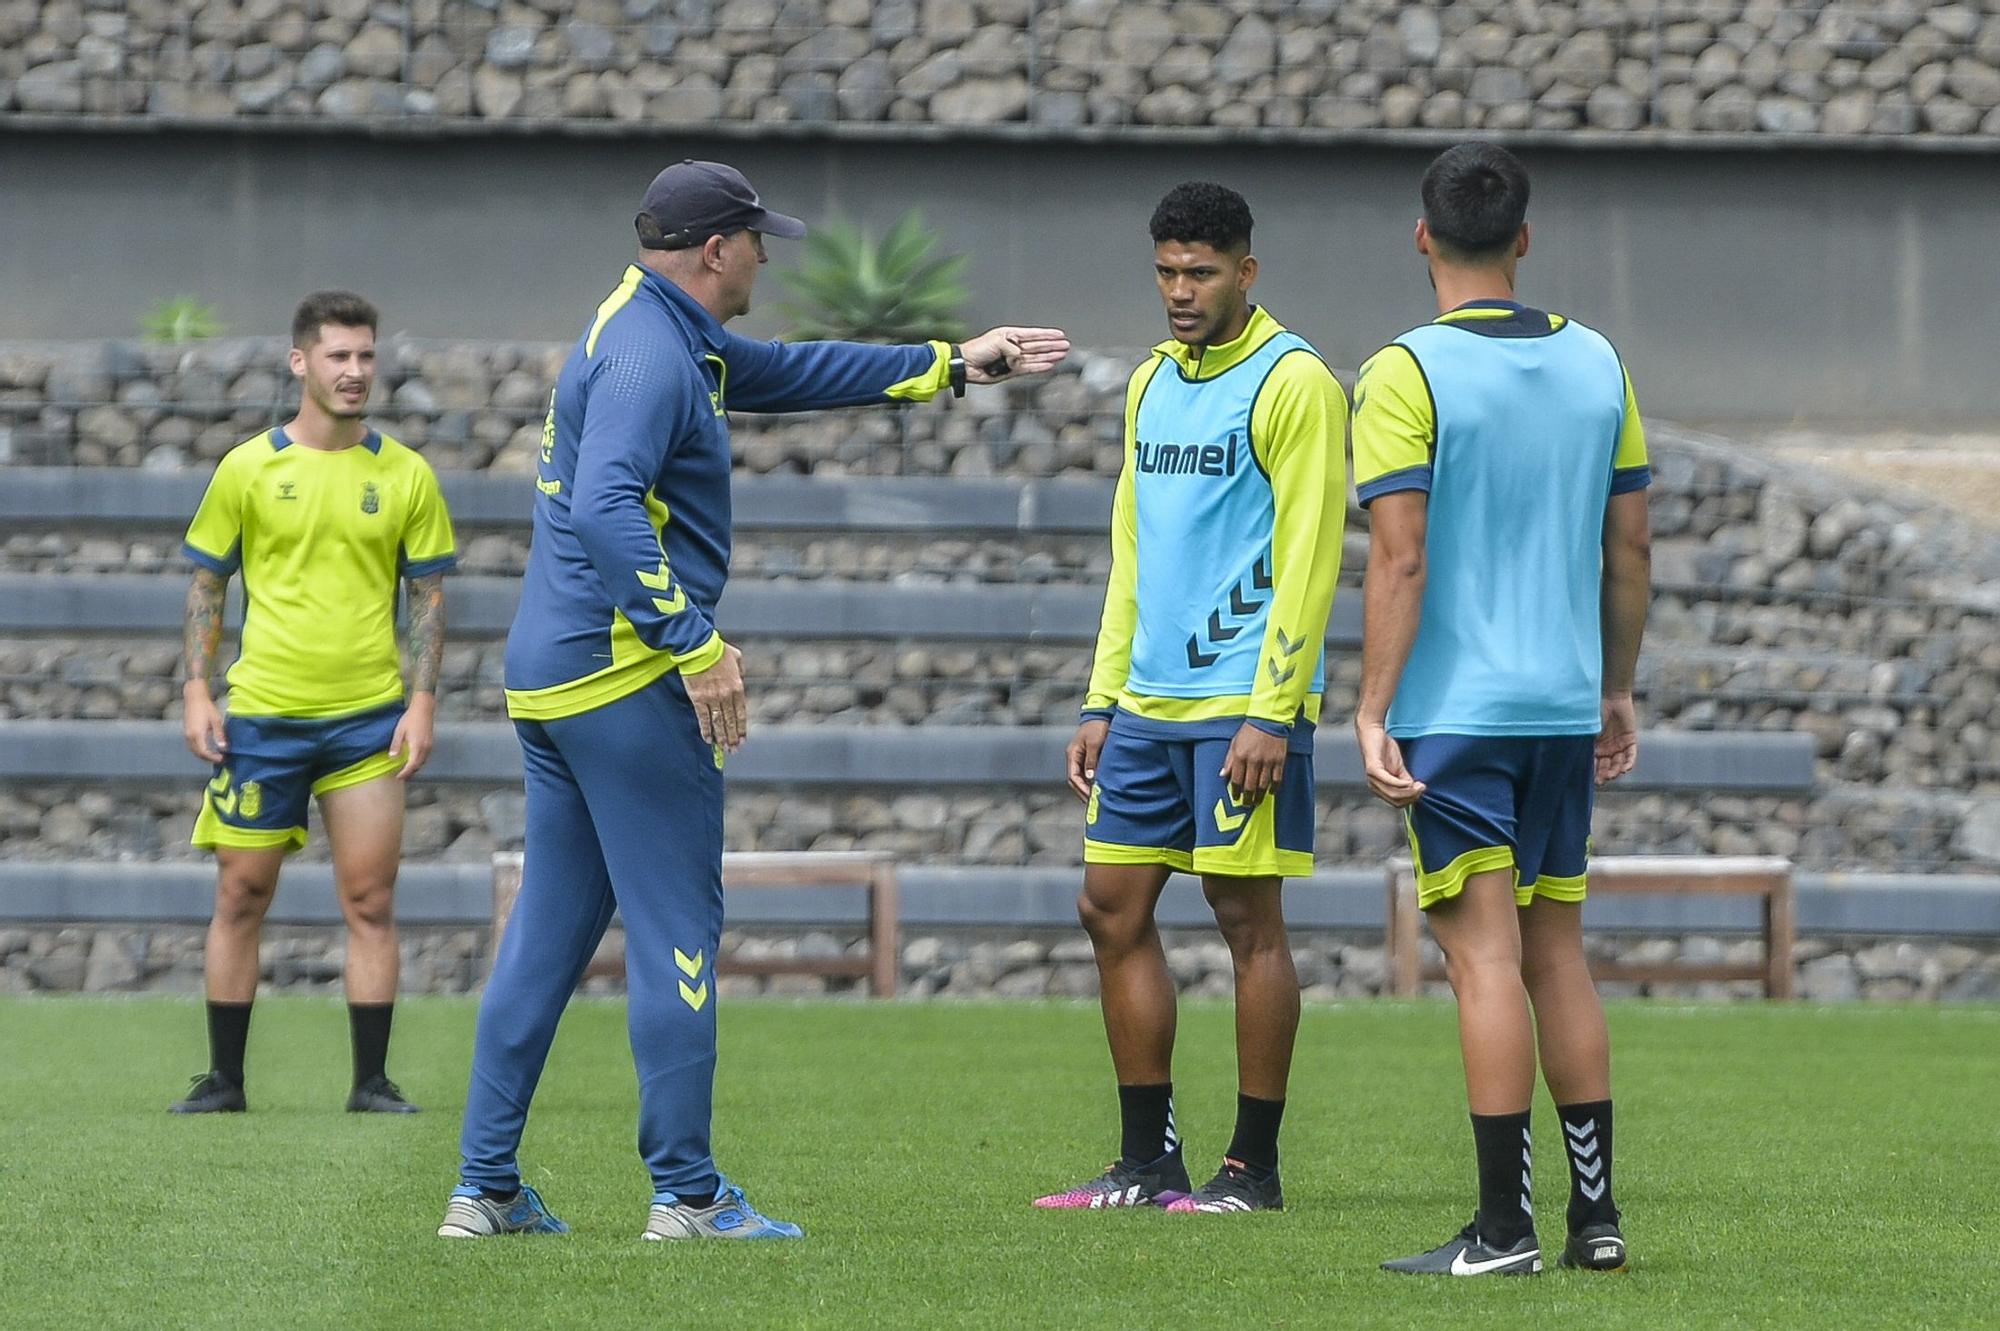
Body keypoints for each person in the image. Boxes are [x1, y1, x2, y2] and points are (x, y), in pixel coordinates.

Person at [440, 160, 1070, 1242]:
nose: (767, 258)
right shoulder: (651, 356)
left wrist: (949, 365)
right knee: (677, 928)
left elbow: (782, 370)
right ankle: (686, 1196)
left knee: (546, 933)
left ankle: (483, 1186)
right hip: (625, 676)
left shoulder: (649, 324)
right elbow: (601, 506)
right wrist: (692, 642)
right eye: (756, 240)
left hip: (550, 677)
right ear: (713, 250)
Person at [1353, 143, 1650, 1276]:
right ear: (1521, 239)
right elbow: (1628, 543)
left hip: (1456, 712)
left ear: (1420, 237)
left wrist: (1372, 708)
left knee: (1481, 962)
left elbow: (1398, 554)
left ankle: (1500, 1230)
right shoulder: (1598, 361)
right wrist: (1614, 685)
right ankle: (1595, 1216)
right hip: (1562, 706)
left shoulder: (1400, 372)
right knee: (1555, 957)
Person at [1035, 182, 1346, 1215]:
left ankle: (1249, 1169)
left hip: (1239, 702)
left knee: (1243, 917)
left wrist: (1273, 706)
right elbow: (1133, 552)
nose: (1178, 290)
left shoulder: (1294, 381)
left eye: (1199, 272)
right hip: (1145, 706)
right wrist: (1100, 694)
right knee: (1107, 905)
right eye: (1166, 270)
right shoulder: (1152, 383)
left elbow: (1307, 556)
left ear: (1244, 273)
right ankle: (1143, 1160)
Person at [173, 291, 456, 1116]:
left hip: (368, 720)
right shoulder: (247, 468)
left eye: (366, 355)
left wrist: (423, 700)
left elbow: (429, 599)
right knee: (241, 895)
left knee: (370, 900)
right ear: (301, 362)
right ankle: (225, 1079)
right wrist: (197, 689)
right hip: (261, 716)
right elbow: (205, 585)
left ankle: (370, 1082)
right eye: (338, 355)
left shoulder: (405, 472)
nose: (355, 371)